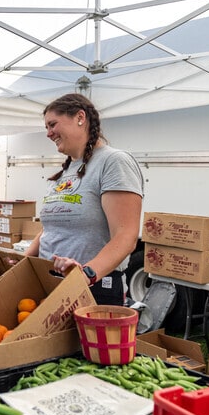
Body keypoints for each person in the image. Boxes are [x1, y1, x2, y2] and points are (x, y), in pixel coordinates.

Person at [25, 93, 144, 306]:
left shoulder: (113, 162)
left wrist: (86, 274)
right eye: (46, 128)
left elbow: (126, 236)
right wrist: (21, 264)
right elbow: (49, 231)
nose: (48, 134)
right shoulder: (67, 170)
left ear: (80, 117)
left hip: (93, 288)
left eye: (52, 125)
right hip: (51, 283)